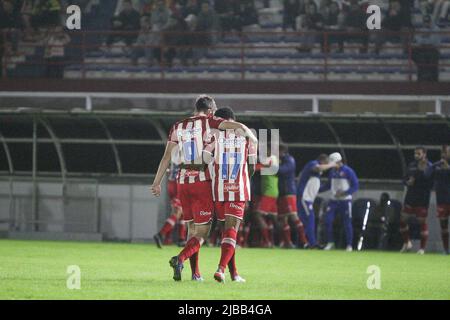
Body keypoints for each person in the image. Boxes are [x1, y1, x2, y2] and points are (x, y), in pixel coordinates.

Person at [150, 95, 257, 282]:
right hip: (202, 181)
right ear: (209, 111)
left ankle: (196, 274)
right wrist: (247, 131)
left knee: (191, 229)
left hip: (182, 180)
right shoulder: (211, 122)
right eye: (214, 112)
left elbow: (166, 157)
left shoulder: (178, 126)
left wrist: (157, 181)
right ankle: (181, 259)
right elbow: (233, 127)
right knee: (203, 232)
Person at [205, 107, 256, 283]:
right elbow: (252, 166)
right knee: (231, 231)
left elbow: (204, 158)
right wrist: (244, 179)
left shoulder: (213, 137)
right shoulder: (247, 137)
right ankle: (221, 269)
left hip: (219, 190)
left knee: (226, 232)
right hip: (237, 189)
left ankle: (234, 273)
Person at [319, 152, 359, 251]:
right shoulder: (332, 172)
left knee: (347, 222)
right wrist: (317, 189)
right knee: (327, 220)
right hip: (333, 201)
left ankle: (349, 245)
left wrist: (345, 193)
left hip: (345, 201)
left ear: (338, 161)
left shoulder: (348, 171)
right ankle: (330, 242)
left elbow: (355, 186)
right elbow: (328, 185)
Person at [297, 154, 337, 248]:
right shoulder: (312, 164)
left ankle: (305, 243)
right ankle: (311, 243)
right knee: (309, 220)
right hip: (304, 198)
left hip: (308, 200)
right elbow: (318, 168)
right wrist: (332, 165)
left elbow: (324, 187)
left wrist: (331, 172)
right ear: (322, 160)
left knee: (306, 221)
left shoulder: (316, 177)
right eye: (326, 163)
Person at [399, 146, 433, 254]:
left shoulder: (429, 166)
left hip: (422, 198)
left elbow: (430, 183)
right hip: (410, 197)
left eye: (418, 154)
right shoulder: (411, 165)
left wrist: (420, 176)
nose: (416, 156)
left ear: (424, 154)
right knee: (402, 219)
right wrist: (407, 182)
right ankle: (407, 243)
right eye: (415, 153)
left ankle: (422, 249)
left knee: (421, 221)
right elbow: (404, 179)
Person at [277, 143, 308, 248]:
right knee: (283, 218)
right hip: (281, 192)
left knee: (293, 216)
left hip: (289, 192)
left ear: (282, 151)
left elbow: (281, 171)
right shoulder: (282, 160)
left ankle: (304, 242)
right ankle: (287, 242)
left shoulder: (289, 160)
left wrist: (273, 165)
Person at [153, 162, 186, 248]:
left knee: (182, 212)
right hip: (178, 183)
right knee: (177, 211)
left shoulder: (174, 151)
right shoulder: (184, 150)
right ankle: (160, 234)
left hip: (173, 181)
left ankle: (181, 239)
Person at [426, 145, 450, 254]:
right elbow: (426, 174)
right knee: (443, 225)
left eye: (446, 152)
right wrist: (436, 164)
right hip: (442, 200)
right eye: (442, 152)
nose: (444, 155)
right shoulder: (437, 166)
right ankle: (446, 250)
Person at [411, 15, 441, 82]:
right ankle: (422, 77)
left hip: (434, 50)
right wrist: (426, 38)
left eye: (428, 22)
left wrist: (424, 38)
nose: (426, 23)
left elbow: (433, 41)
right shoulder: (422, 29)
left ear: (431, 21)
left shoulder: (436, 29)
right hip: (423, 49)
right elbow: (417, 40)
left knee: (430, 57)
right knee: (417, 55)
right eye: (425, 22)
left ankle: (432, 78)